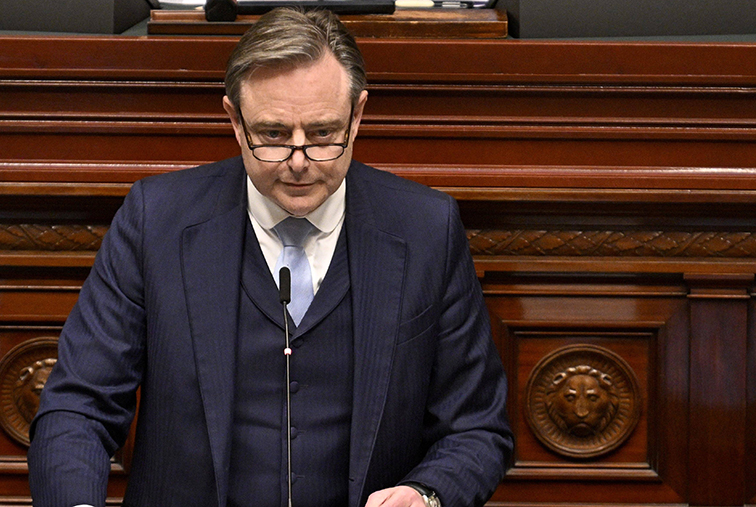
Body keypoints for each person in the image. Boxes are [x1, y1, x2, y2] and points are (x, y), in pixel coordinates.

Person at [28, 7, 513, 507]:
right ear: (235, 121)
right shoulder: (157, 221)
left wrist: (426, 495)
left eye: (322, 134)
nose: (299, 163)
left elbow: (477, 428)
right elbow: (78, 407)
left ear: (357, 115)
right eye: (274, 136)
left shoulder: (426, 228)